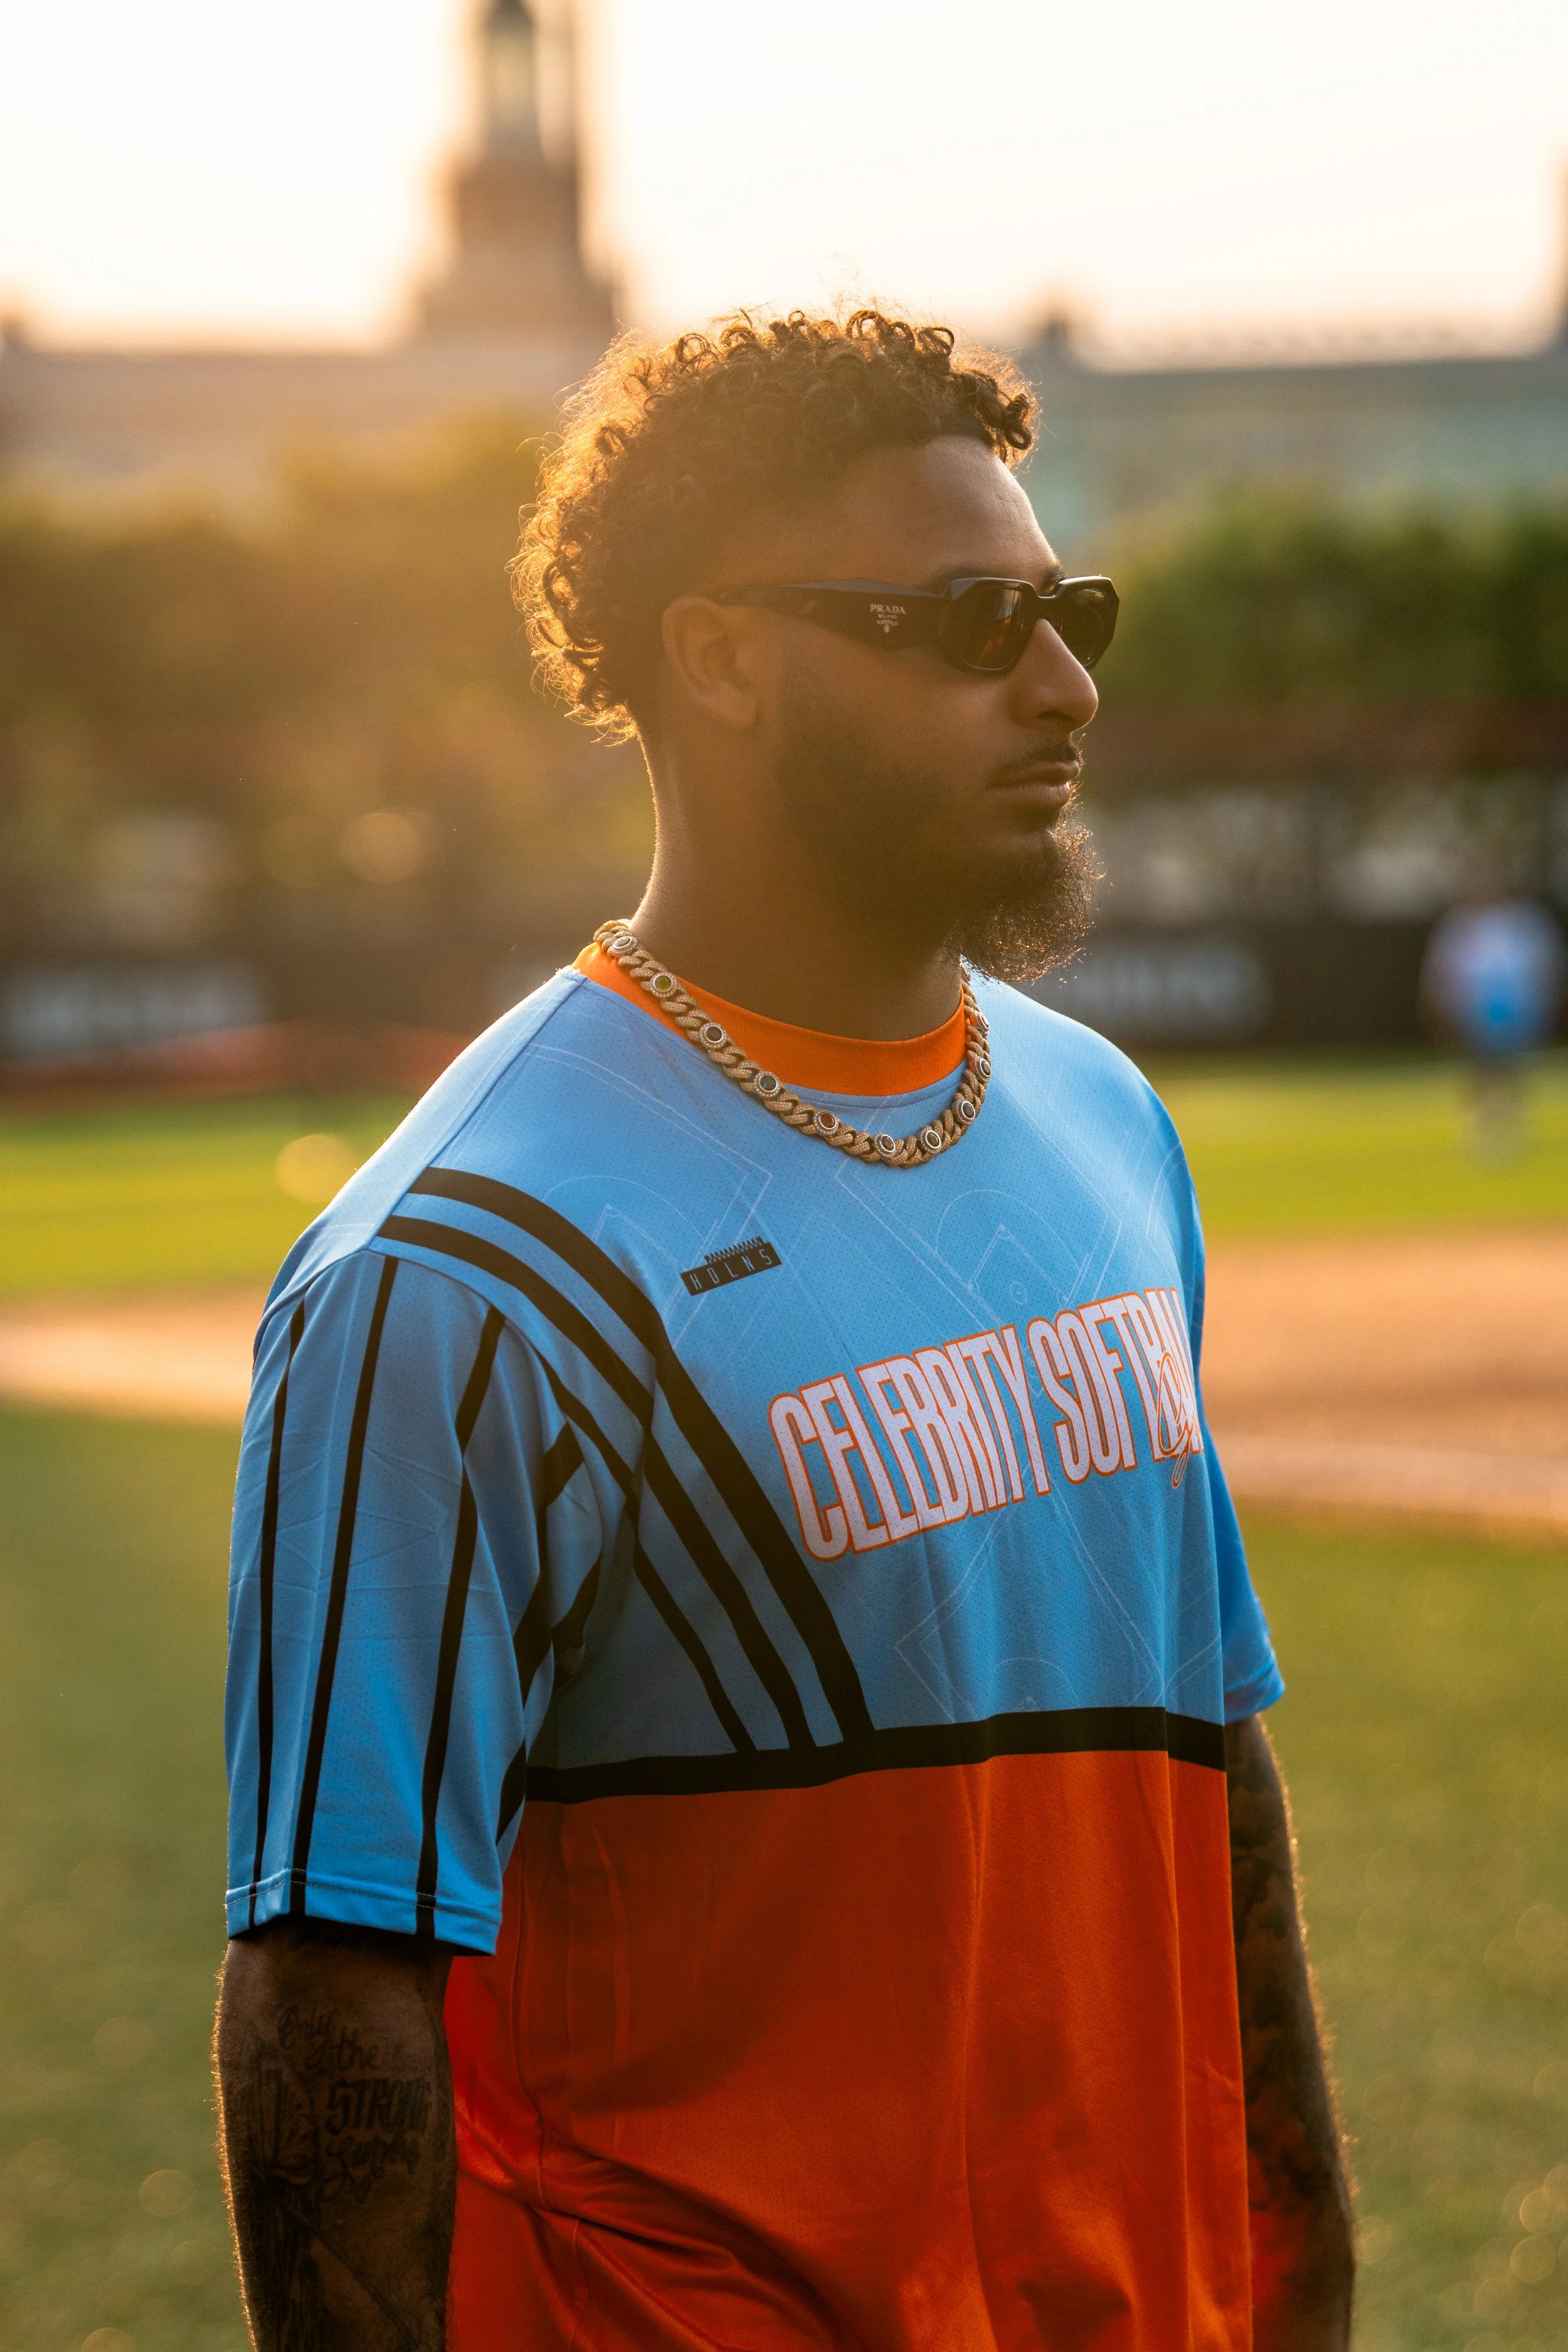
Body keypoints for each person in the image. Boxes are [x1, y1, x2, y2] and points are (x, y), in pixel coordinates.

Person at [216, 309, 1353, 2351]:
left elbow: (1214, 1762)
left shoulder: (1104, 1119)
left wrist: (1300, 2280)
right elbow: (331, 1983)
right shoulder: (452, 1270)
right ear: (720, 656)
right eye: (967, 624)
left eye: (1069, 610)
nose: (1065, 685)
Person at [1420, 874, 1564, 1162]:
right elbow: (1442, 972)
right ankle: (1479, 1125)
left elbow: (1547, 965)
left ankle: (1512, 1123)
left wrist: (1545, 1003)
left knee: (1514, 1066)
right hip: (1475, 1009)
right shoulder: (1459, 925)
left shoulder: (1524, 921)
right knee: (1480, 1067)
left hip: (1518, 1007)